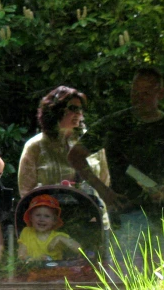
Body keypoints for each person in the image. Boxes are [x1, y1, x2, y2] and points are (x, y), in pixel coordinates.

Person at [68, 67, 164, 261]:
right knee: (127, 277)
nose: (138, 98)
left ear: (160, 94)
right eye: (134, 92)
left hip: (161, 214)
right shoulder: (115, 124)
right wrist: (103, 191)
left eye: (145, 93)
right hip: (126, 213)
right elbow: (75, 156)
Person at [18, 86, 110, 198]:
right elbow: (26, 192)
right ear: (55, 109)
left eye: (80, 109)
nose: (79, 114)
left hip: (94, 213)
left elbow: (104, 182)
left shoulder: (92, 140)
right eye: (73, 108)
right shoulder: (35, 145)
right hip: (51, 214)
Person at [17, 194, 82, 263]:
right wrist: (32, 259)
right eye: (38, 215)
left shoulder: (58, 236)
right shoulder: (27, 232)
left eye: (47, 216)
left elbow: (79, 249)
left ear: (54, 221)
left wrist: (61, 238)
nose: (41, 219)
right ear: (31, 218)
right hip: (32, 269)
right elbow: (21, 255)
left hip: (55, 271)